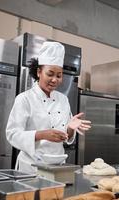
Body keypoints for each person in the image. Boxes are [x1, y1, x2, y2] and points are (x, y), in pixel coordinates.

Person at [6, 41, 91, 173]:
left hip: (57, 167)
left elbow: (66, 137)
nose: (54, 80)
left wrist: (70, 128)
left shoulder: (63, 99)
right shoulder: (24, 99)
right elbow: (12, 134)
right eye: (50, 74)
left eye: (59, 75)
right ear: (39, 72)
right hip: (31, 166)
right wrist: (42, 134)